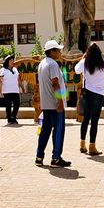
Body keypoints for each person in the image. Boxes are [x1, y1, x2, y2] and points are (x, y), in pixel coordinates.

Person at [35, 39, 70, 168]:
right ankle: (56, 157)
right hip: (55, 104)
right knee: (59, 130)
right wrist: (60, 101)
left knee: (45, 131)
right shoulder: (53, 64)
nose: (60, 52)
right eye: (58, 50)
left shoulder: (42, 63)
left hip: (46, 104)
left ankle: (39, 156)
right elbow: (55, 82)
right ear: (52, 51)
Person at [75, 42, 104, 155]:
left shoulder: (85, 63)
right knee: (94, 121)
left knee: (85, 119)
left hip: (87, 94)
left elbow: (76, 70)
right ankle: (92, 146)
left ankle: (82, 144)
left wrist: (83, 57)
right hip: (99, 94)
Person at [0, 55, 21, 124]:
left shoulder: (15, 69)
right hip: (7, 91)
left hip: (15, 90)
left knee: (17, 103)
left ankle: (13, 116)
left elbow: (18, 79)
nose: (12, 61)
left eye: (13, 60)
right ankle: (9, 119)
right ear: (7, 62)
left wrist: (21, 87)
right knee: (8, 104)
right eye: (11, 60)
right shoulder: (2, 70)